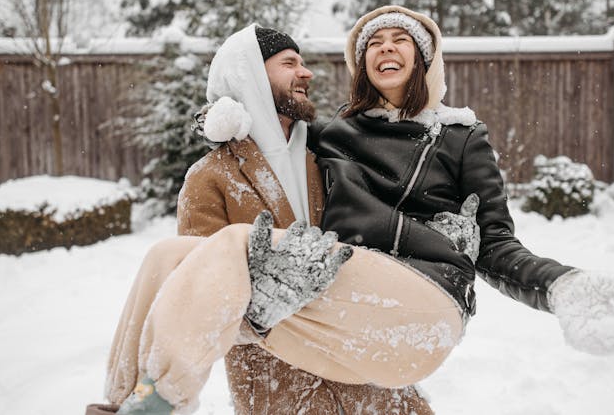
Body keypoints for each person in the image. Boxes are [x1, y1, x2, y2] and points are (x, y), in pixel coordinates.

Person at [95, 7, 614, 415]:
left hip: (415, 305)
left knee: (229, 249)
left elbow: (496, 242)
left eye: (402, 39)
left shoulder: (460, 137)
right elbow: (263, 127)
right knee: (171, 255)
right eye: (373, 41)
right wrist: (217, 116)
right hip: (319, 336)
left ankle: (164, 400)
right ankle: (120, 404)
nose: (386, 47)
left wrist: (559, 284)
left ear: (425, 58)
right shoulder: (335, 138)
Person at [87, 26, 439, 415]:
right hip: (282, 390)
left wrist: (441, 234)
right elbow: (195, 298)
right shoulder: (209, 178)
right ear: (249, 74)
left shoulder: (333, 158)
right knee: (170, 257)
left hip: (369, 379)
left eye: (303, 63)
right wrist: (258, 314)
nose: (306, 73)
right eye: (289, 63)